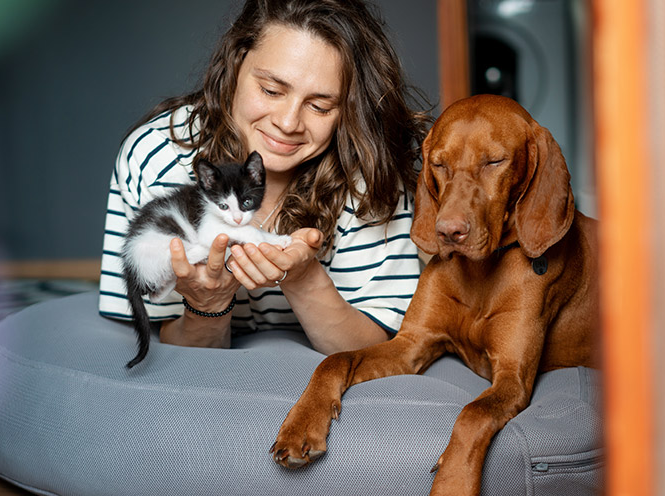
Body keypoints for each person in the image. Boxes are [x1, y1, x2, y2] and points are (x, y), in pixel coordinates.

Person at [99, 0, 431, 355]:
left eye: (320, 106)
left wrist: (303, 279)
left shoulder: (371, 177)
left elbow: (372, 349)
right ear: (236, 64)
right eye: (271, 90)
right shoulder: (159, 154)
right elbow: (173, 350)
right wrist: (208, 304)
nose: (288, 123)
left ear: (349, 109)